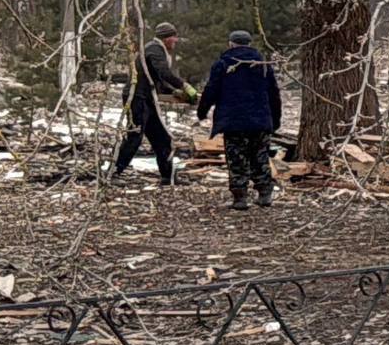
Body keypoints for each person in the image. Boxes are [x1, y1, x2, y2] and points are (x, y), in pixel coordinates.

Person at [196, 30, 284, 210]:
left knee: (237, 159)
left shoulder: (223, 64)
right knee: (260, 157)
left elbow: (211, 89)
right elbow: (274, 93)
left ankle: (240, 197)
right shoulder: (263, 65)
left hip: (233, 121)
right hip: (260, 120)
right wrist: (275, 119)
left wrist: (202, 111)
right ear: (250, 44)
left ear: (231, 44)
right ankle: (265, 193)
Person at [112, 22, 192, 186]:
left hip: (146, 97)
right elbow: (164, 73)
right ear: (167, 38)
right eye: (173, 37)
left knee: (162, 137)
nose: (175, 41)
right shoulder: (155, 50)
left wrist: (172, 92)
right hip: (138, 97)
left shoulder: (154, 49)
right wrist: (183, 86)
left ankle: (167, 176)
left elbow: (157, 79)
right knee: (134, 136)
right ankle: (113, 173)